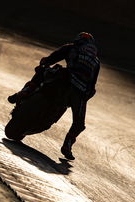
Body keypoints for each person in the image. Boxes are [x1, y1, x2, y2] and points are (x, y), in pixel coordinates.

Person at [7, 32, 100, 160]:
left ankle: (25, 91)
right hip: (79, 92)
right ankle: (67, 145)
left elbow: (49, 59)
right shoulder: (96, 61)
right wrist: (83, 97)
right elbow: (92, 87)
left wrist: (43, 63)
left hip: (64, 78)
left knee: (43, 70)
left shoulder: (72, 48)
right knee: (79, 123)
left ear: (78, 41)